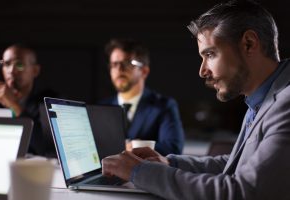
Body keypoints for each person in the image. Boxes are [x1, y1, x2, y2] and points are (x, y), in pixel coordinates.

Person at [102, 0, 290, 199]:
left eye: (210, 54)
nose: (202, 71)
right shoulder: (262, 100)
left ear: (249, 44)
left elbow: (243, 192)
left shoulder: (286, 103)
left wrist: (138, 172)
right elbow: (234, 163)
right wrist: (169, 163)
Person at [101, 38, 184, 155]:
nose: (119, 69)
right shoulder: (102, 107)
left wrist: (135, 146)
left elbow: (173, 149)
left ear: (144, 71)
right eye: (114, 64)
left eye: (126, 63)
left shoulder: (164, 106)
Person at [0, 44, 57, 157]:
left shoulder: (50, 101)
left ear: (35, 70)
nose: (11, 71)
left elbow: (47, 149)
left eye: (19, 64)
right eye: (6, 64)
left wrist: (14, 105)